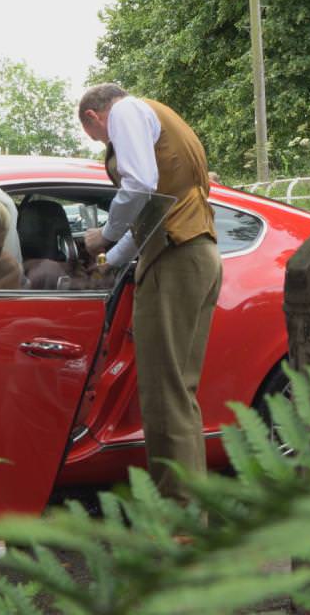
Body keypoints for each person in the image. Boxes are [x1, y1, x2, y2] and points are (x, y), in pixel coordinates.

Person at [78, 83, 222, 502]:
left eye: (100, 140)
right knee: (178, 395)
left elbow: (139, 184)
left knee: (163, 396)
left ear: (93, 117)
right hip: (196, 251)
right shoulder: (163, 115)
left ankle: (178, 520)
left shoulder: (123, 113)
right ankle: (188, 512)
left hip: (175, 260)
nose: (108, 145)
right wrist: (113, 260)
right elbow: (156, 211)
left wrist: (102, 237)